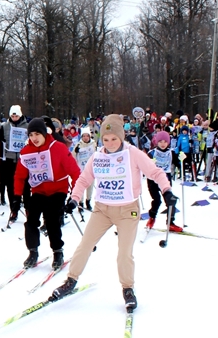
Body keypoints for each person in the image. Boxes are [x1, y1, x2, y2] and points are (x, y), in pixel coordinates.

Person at [49, 114, 177, 312]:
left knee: (124, 253)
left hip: (127, 211)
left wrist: (167, 191)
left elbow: (156, 172)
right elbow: (84, 179)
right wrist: (74, 199)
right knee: (85, 245)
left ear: (122, 137)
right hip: (103, 209)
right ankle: (71, 280)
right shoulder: (98, 155)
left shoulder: (132, 153)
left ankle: (128, 288)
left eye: (114, 139)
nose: (109, 143)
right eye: (106, 139)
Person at [13, 118, 81, 269]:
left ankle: (57, 251)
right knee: (31, 221)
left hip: (58, 189)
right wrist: (17, 197)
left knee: (51, 219)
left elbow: (75, 172)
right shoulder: (26, 152)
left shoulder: (58, 148)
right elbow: (19, 176)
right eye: (31, 135)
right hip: (38, 190)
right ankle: (33, 251)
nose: (34, 138)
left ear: (44, 133)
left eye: (37, 134)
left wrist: (74, 197)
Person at [0, 105, 30, 222]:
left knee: (26, 187)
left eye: (16, 115)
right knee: (11, 187)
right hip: (10, 160)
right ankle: (14, 210)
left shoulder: (27, 126)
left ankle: (28, 210)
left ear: (20, 115)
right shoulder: (5, 126)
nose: (14, 117)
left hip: (24, 161)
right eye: (12, 115)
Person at [145, 131, 182, 231]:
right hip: (152, 180)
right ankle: (152, 218)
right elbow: (144, 166)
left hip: (166, 179)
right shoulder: (152, 153)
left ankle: (171, 222)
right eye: (160, 141)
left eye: (165, 141)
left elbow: (178, 163)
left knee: (170, 200)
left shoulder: (172, 153)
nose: (162, 143)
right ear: (156, 142)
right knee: (157, 200)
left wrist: (181, 161)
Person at [72, 127, 96, 210]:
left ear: (89, 137)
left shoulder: (93, 144)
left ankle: (88, 201)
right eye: (84, 136)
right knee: (81, 186)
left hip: (91, 169)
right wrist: (76, 151)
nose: (85, 137)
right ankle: (80, 203)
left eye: (87, 136)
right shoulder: (78, 144)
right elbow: (73, 156)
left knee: (90, 186)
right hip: (81, 169)